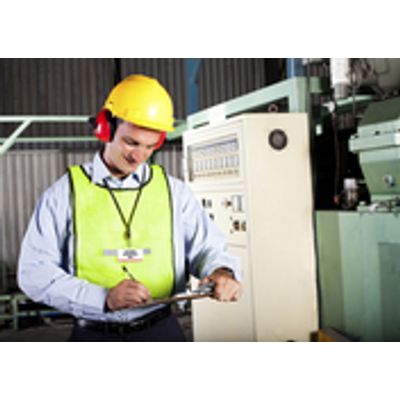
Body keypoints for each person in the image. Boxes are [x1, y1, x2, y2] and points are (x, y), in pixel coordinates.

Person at [17, 74, 241, 342]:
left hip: (162, 330)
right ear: (105, 128)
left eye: (150, 146)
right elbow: (34, 272)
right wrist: (102, 298)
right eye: (131, 143)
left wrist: (221, 271)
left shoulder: (175, 193)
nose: (139, 156)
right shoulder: (63, 194)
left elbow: (207, 248)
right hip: (94, 334)